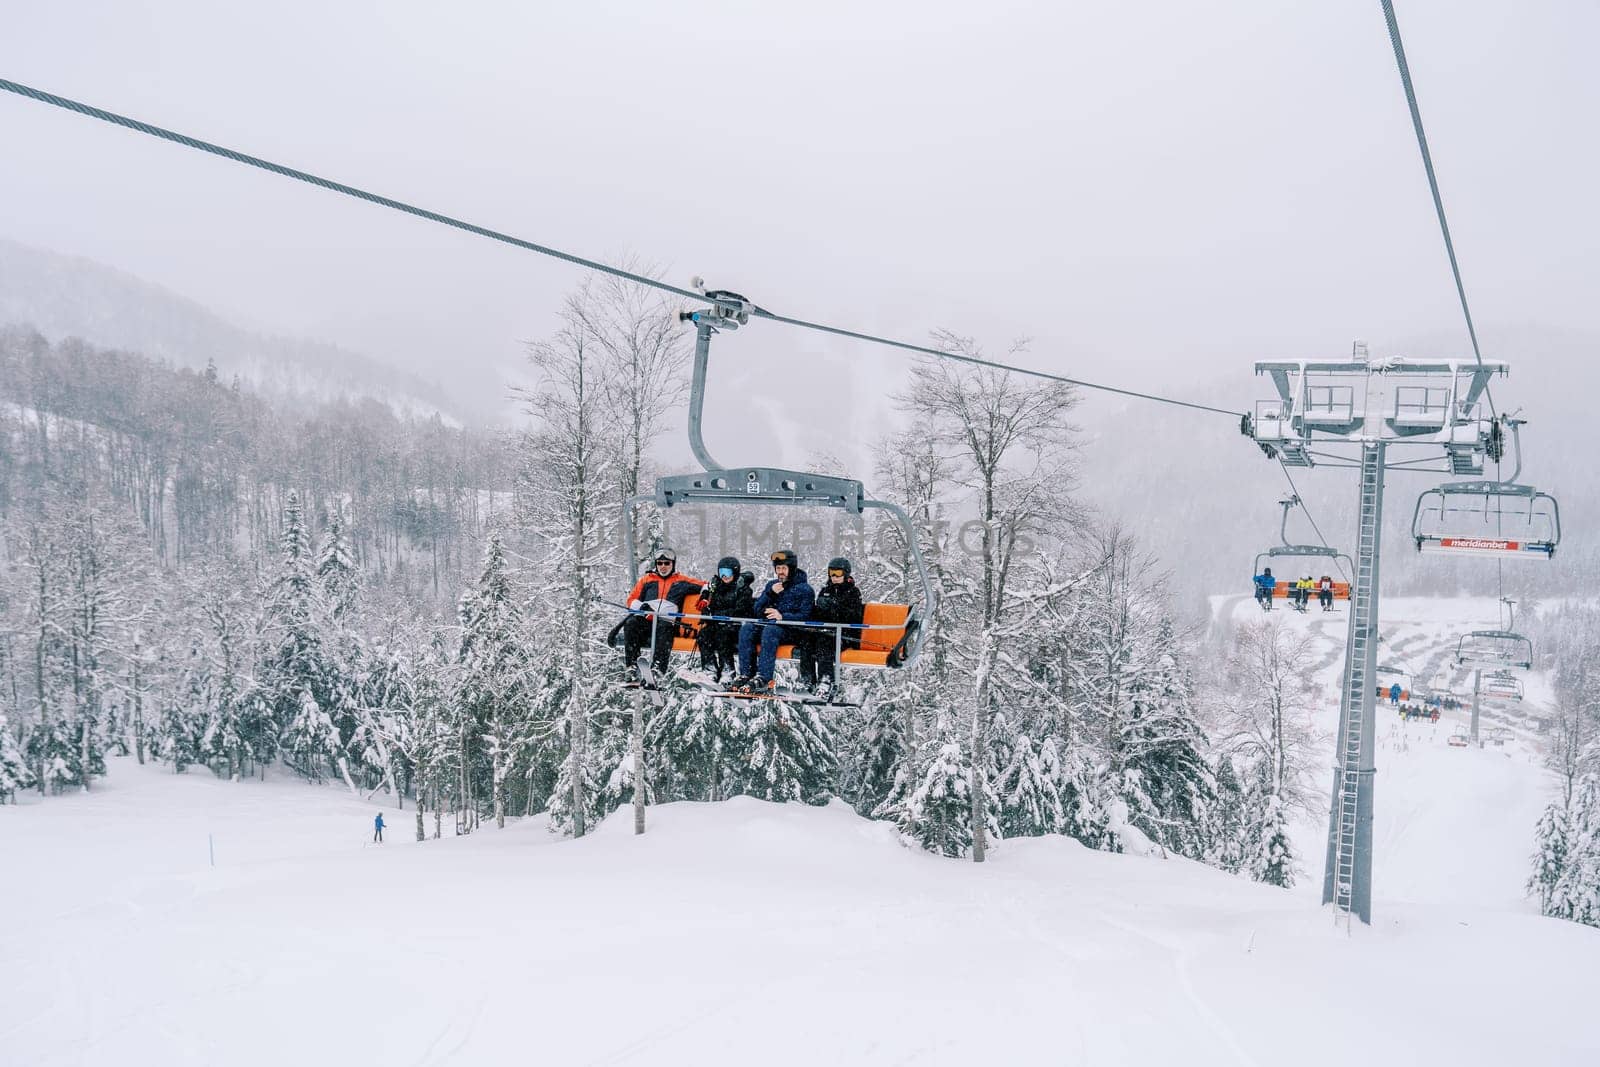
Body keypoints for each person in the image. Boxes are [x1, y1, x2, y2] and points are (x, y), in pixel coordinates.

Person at [731, 549, 815, 694]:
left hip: (793, 630)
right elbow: (757, 609)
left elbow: (805, 616)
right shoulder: (772, 585)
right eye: (778, 568)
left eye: (783, 568)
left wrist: (782, 616)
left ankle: (764, 677)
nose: (780, 572)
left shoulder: (804, 589)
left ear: (792, 569)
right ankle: (746, 674)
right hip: (769, 627)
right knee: (748, 629)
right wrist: (770, 594)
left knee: (771, 630)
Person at [622, 547, 705, 683]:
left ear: (673, 564)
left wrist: (705, 596)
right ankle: (632, 666)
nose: (663, 567)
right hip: (647, 619)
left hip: (667, 621)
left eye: (667, 563)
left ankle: (658, 668)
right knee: (631, 623)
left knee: (664, 627)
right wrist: (643, 607)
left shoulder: (681, 581)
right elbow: (631, 600)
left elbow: (706, 586)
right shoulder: (647, 580)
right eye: (660, 563)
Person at [801, 556, 865, 701]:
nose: (834, 577)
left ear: (846, 574)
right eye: (831, 573)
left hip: (845, 635)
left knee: (825, 641)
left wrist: (833, 606)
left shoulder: (852, 592)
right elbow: (819, 613)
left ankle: (826, 679)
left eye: (838, 573)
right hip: (826, 631)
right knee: (807, 640)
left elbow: (854, 616)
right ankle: (808, 678)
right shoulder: (826, 591)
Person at [697, 555, 755, 683]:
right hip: (719, 624)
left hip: (735, 626)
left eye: (727, 572)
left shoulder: (743, 589)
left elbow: (741, 610)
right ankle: (709, 668)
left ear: (735, 572)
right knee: (703, 634)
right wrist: (707, 611)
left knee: (723, 635)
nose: (724, 576)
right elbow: (711, 604)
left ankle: (727, 670)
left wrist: (721, 615)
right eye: (721, 572)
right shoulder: (717, 588)